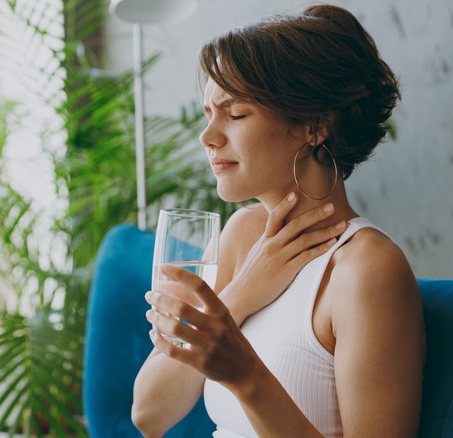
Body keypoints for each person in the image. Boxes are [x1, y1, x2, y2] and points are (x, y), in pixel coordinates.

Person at [131, 4, 426, 437]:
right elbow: (149, 414)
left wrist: (244, 373)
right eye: (207, 114)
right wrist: (240, 296)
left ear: (314, 126)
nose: (208, 136)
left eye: (235, 115)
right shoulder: (244, 236)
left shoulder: (367, 272)